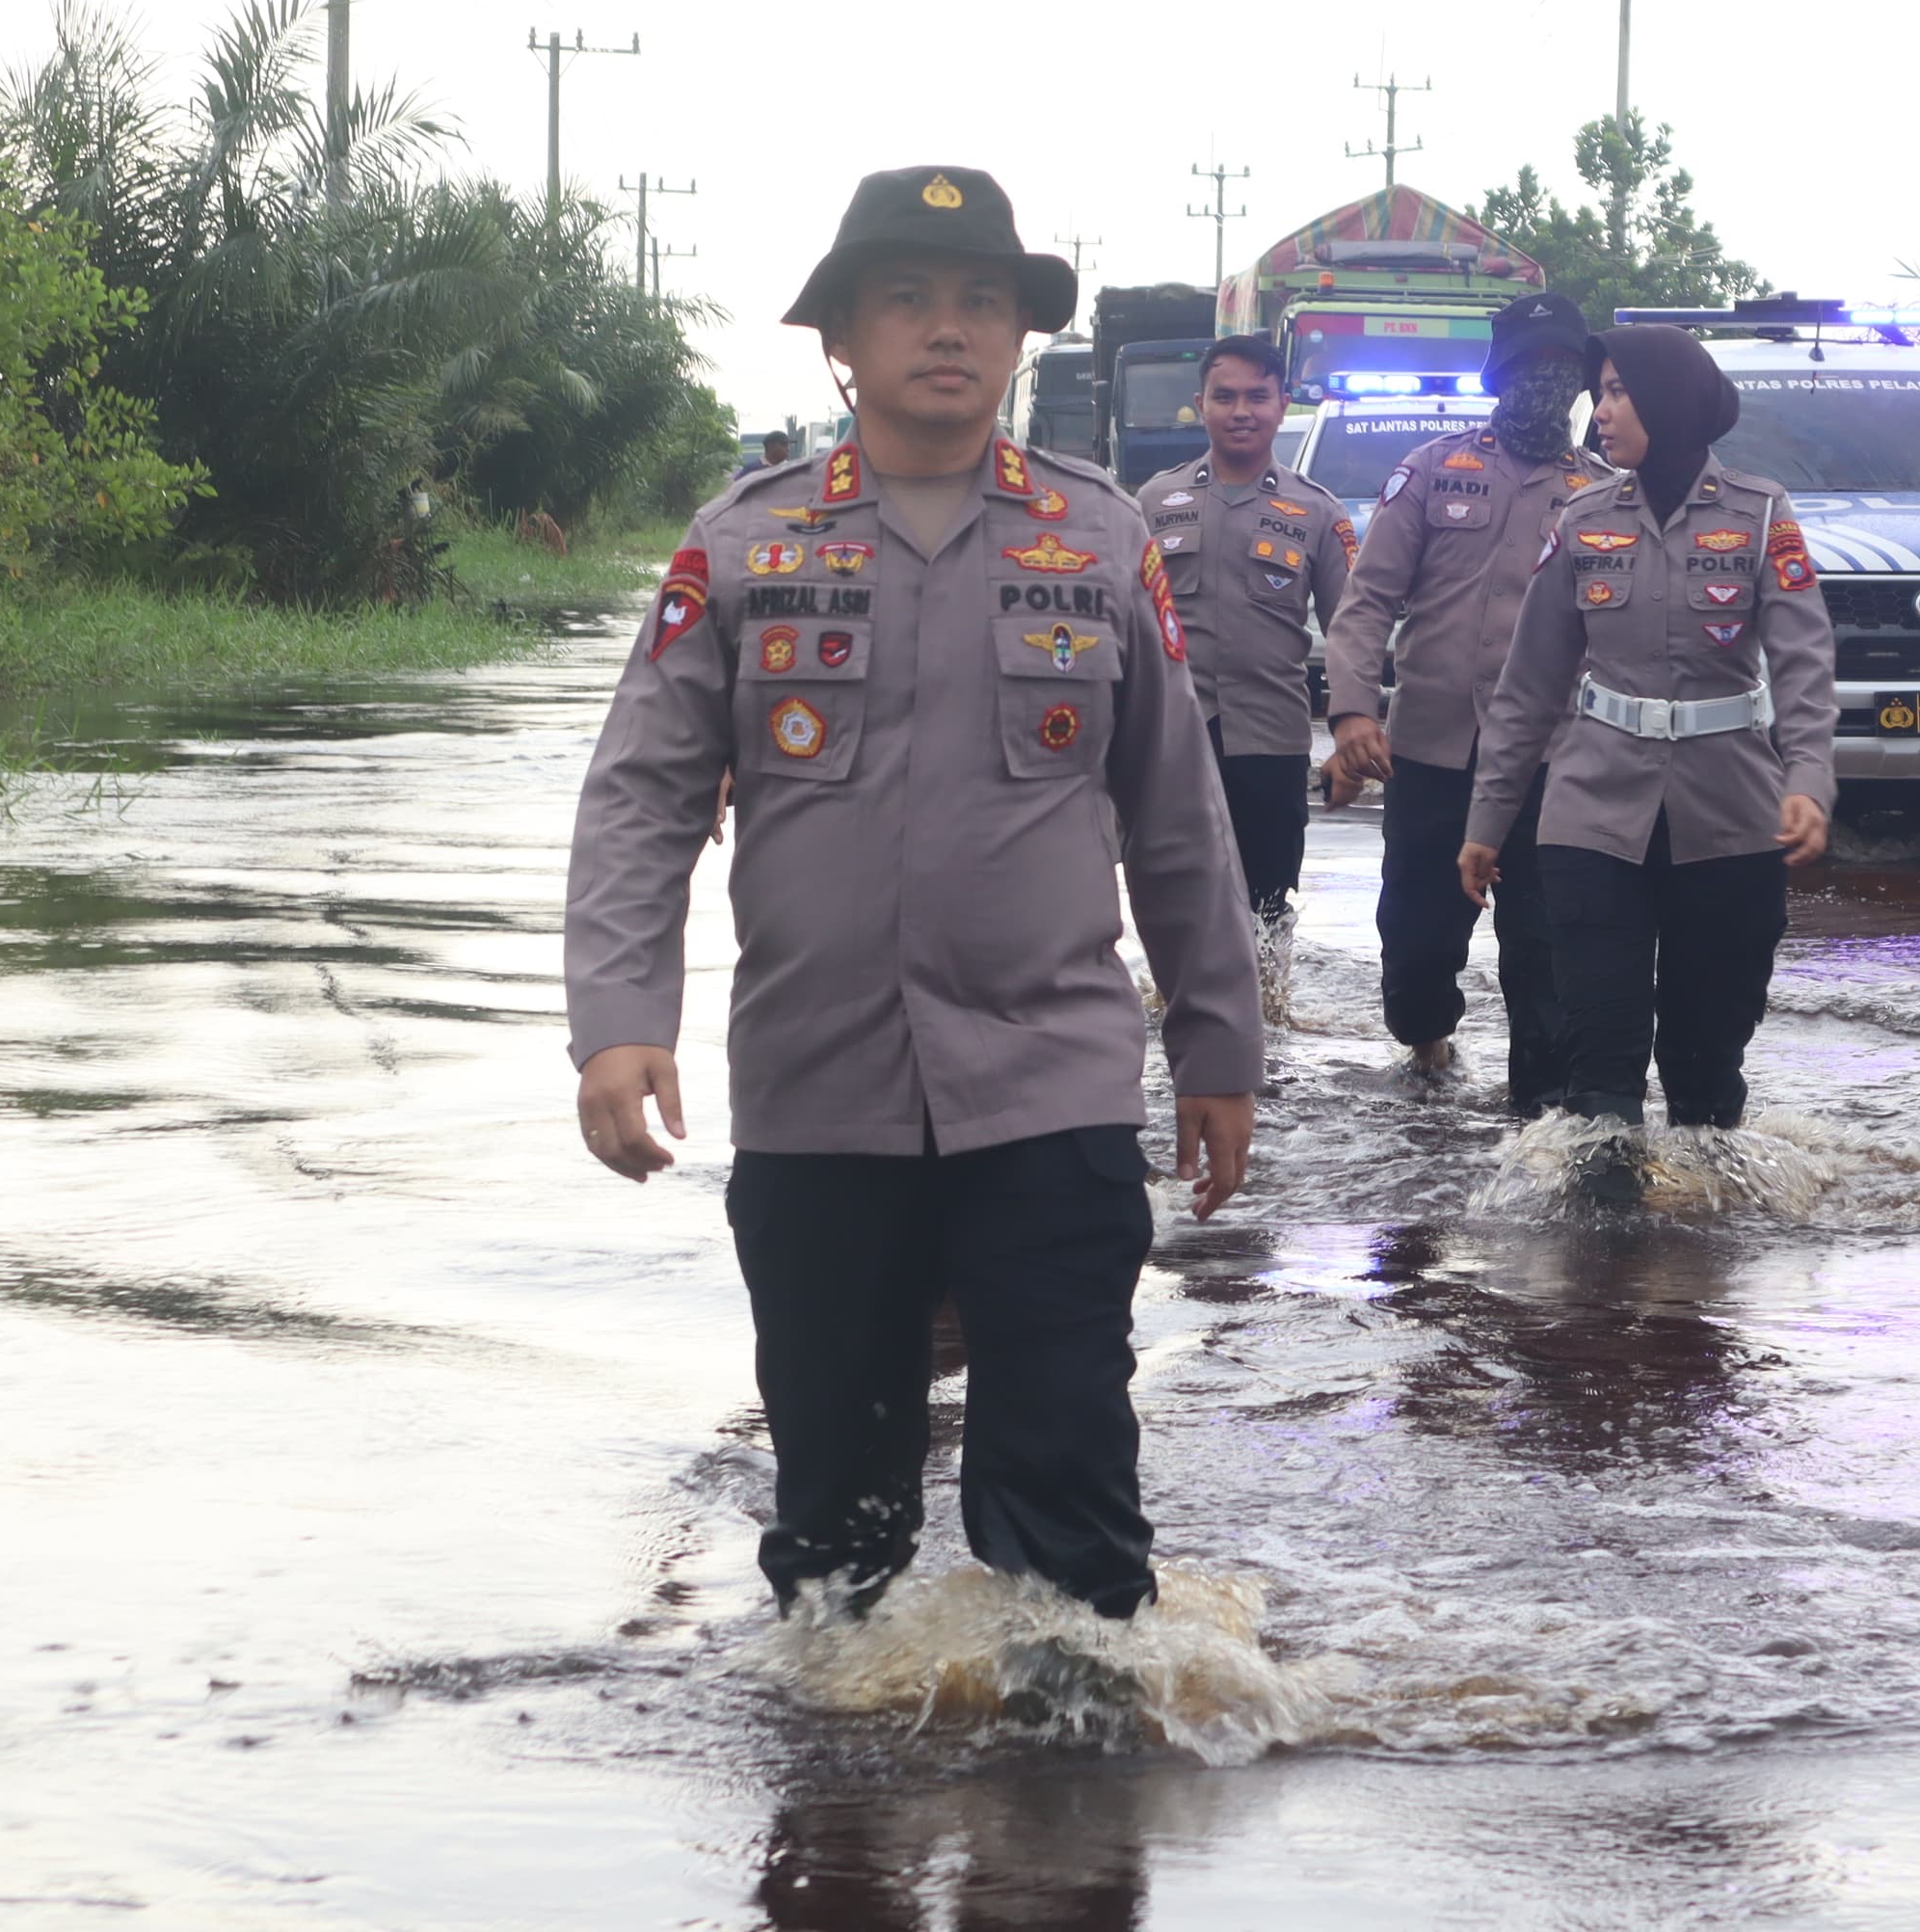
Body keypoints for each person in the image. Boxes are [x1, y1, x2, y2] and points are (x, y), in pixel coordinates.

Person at [565, 164, 1260, 1624]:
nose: (947, 331)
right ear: (842, 337)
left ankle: (1073, 1819)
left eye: (981, 304)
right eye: (907, 300)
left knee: (1068, 1502)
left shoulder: (1105, 540)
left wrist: (1218, 1050)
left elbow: (1176, 818)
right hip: (821, 1095)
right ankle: (837, 1833)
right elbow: (642, 796)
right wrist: (620, 1020)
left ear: (1018, 341)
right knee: (833, 1523)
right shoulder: (743, 544)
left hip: (1052, 1087)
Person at [1458, 325, 1834, 1195]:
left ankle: (1694, 1292)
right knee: (1600, 1068)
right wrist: (1487, 824)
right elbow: (1528, 688)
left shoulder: (1763, 514)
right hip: (1592, 816)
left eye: (1622, 390)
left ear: (1669, 401)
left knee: (1706, 1074)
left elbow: (1805, 666)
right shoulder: (1582, 522)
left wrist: (1808, 781)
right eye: (1604, 390)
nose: (1604, 409)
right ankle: (1602, 1296)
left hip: (1730, 819)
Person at [1320, 290, 1601, 1102]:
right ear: (1498, 376)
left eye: (1561, 368)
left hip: (1552, 760)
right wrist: (1351, 712)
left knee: (1545, 951)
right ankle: (1428, 1044)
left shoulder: (1598, 491)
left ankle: (1540, 1123)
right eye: (1528, 367)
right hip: (1434, 748)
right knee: (1415, 945)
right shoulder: (1433, 469)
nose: (1544, 382)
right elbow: (1367, 600)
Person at [1138, 335, 1354, 1022]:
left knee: (1266, 896)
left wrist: (1353, 729)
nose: (1240, 411)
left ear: (1280, 405)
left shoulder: (1317, 512)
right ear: (1199, 405)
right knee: (1176, 885)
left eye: (1257, 397)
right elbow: (1122, 626)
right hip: (1174, 736)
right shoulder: (1154, 502)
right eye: (1224, 396)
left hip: (1271, 736)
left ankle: (1265, 1019)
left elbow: (1351, 626)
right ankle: (1181, 1011)